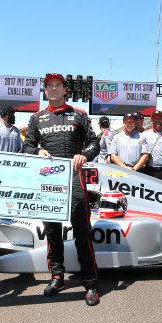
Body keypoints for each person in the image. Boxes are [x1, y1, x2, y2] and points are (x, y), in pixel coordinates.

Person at [22, 73, 100, 306]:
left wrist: (83, 155)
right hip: (48, 181)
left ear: (65, 90)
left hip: (75, 179)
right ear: (45, 91)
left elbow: (94, 144)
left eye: (58, 85)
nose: (54, 89)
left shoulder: (79, 114)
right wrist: (37, 152)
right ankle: (57, 277)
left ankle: (90, 281)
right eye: (50, 86)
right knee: (53, 233)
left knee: (82, 232)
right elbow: (26, 146)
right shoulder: (37, 118)